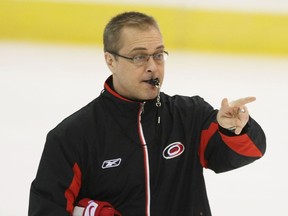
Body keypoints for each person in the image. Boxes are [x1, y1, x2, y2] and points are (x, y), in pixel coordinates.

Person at [28, 11, 266, 216]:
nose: (152, 66)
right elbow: (47, 208)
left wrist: (234, 130)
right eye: (139, 56)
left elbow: (247, 152)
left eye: (159, 54)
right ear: (110, 60)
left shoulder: (190, 116)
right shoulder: (72, 137)